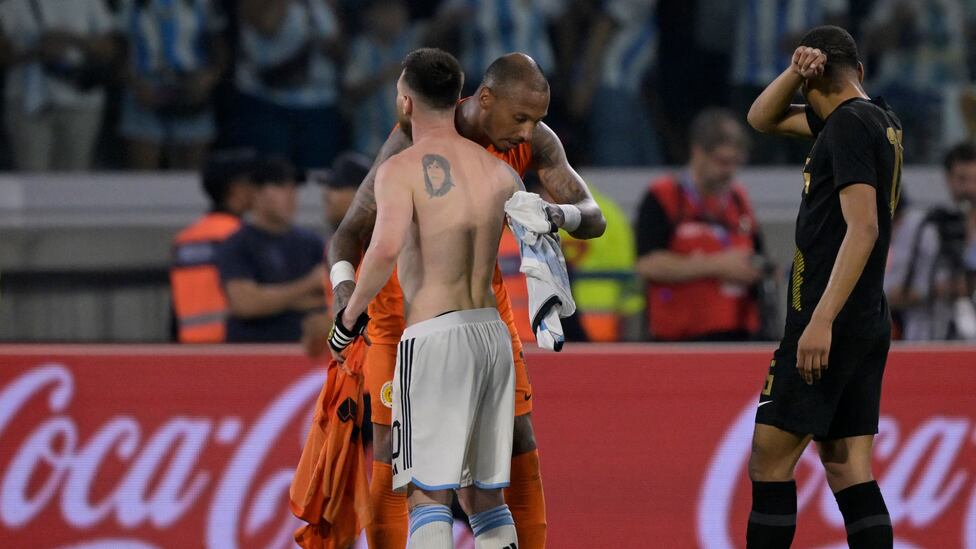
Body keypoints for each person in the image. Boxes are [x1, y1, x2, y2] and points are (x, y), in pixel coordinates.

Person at [329, 52, 605, 549]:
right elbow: (349, 234)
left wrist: (345, 317)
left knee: (432, 482)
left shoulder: (424, 160)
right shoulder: (459, 159)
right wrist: (350, 302)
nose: (528, 131)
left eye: (537, 120)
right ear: (483, 98)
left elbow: (593, 214)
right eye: (520, 118)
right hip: (426, 319)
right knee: (462, 483)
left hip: (439, 325)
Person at [328, 46, 523, 549]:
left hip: (434, 338)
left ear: (405, 101)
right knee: (485, 498)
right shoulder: (500, 171)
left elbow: (383, 248)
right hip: (491, 336)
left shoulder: (400, 168)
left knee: (426, 495)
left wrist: (348, 317)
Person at [746, 26, 900, 547]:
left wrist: (820, 321)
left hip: (827, 319)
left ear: (813, 82)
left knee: (769, 460)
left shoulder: (847, 128)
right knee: (847, 466)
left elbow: (864, 228)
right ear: (858, 71)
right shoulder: (878, 121)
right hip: (866, 319)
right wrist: (795, 73)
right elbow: (760, 118)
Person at [636, 108, 766, 342]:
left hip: (737, 334)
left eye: (736, 163)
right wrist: (716, 265)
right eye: (722, 162)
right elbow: (646, 264)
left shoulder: (739, 200)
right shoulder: (663, 195)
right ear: (698, 152)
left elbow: (756, 254)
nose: (730, 171)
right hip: (678, 339)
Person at [216, 156, 327, 343]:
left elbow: (328, 301)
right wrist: (308, 284)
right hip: (253, 353)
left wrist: (270, 299)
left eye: (293, 188)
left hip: (302, 354)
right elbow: (245, 303)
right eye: (280, 187)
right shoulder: (238, 243)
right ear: (256, 193)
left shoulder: (312, 243)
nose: (290, 195)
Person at [0, 0, 115, 171]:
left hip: (81, 103)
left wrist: (71, 39)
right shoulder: (14, 4)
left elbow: (112, 49)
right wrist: (36, 52)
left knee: (74, 182)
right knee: (33, 179)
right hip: (28, 105)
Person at [115, 0, 228, 170]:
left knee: (191, 176)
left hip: (190, 86)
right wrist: (135, 84)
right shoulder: (129, 3)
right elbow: (117, 49)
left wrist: (209, 78)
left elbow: (220, 45)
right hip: (144, 85)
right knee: (141, 178)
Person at [233, 0, 343, 171]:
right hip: (267, 102)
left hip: (318, 103)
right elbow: (268, 26)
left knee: (317, 175)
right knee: (271, 175)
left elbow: (339, 50)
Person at [885, 143, 976, 340]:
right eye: (962, 179)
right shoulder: (922, 228)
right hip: (927, 340)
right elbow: (889, 291)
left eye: (975, 179)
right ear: (948, 179)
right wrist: (935, 288)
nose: (970, 188)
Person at [170, 149, 258, 343]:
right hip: (232, 347)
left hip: (188, 348)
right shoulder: (243, 237)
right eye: (253, 182)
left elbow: (174, 310)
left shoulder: (184, 240)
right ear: (237, 188)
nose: (258, 189)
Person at [301, 151, 373, 358]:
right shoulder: (338, 241)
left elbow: (373, 304)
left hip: (371, 362)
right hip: (351, 358)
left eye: (337, 187)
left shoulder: (371, 240)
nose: (326, 194)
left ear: (362, 193)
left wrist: (327, 323)